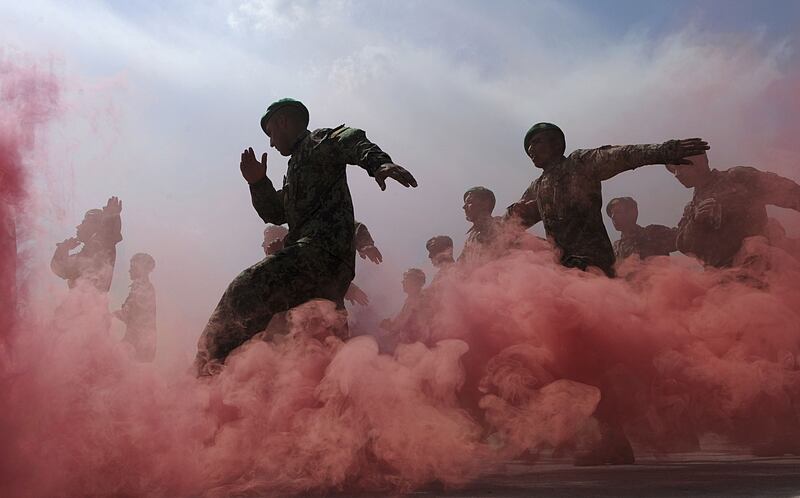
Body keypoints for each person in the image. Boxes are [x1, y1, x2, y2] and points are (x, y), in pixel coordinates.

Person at [195, 98, 417, 375]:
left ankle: (205, 367)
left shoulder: (317, 143)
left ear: (283, 122)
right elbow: (276, 213)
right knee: (319, 344)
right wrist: (258, 183)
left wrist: (379, 164)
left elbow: (349, 139)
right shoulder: (294, 170)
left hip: (319, 253)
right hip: (325, 270)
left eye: (271, 135)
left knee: (244, 289)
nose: (272, 145)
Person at [506, 123, 707, 277]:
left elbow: (623, 156)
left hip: (594, 266)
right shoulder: (537, 187)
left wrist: (666, 151)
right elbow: (514, 223)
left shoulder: (579, 164)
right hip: (564, 270)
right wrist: (507, 217)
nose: (531, 149)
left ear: (556, 143)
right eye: (528, 147)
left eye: (537, 141)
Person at [667, 153, 800, 268]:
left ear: (699, 164)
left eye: (680, 167)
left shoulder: (737, 178)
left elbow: (788, 192)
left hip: (761, 268)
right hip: (724, 280)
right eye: (674, 170)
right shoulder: (691, 209)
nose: (677, 175)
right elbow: (685, 246)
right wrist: (696, 222)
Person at [51, 196, 123, 293]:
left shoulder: (100, 245)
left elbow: (109, 236)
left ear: (94, 226)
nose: (78, 226)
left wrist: (110, 219)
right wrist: (63, 249)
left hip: (86, 305)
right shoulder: (90, 250)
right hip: (80, 304)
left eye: (84, 222)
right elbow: (62, 269)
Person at [114, 253, 157, 362]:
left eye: (133, 267)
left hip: (137, 345)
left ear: (141, 269)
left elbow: (127, 314)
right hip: (140, 343)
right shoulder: (145, 287)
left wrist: (107, 316)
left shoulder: (141, 288)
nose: (129, 270)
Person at [606, 196, 677, 261]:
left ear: (632, 213)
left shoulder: (653, 233)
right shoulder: (615, 248)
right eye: (611, 213)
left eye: (618, 212)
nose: (613, 216)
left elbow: (683, 241)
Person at [380, 268, 428, 345]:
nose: (402, 282)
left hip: (413, 345)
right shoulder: (411, 299)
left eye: (406, 280)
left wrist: (389, 326)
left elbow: (401, 325)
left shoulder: (417, 300)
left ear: (414, 283)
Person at [459, 186, 504, 264]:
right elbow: (460, 266)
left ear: (485, 204)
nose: (464, 207)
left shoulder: (501, 225)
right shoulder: (470, 239)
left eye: (469, 202)